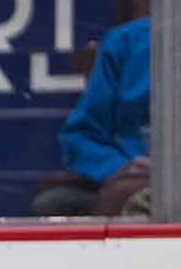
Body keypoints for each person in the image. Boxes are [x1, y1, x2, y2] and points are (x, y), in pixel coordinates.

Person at [32, 16, 151, 216]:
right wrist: (124, 169)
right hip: (134, 186)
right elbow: (82, 137)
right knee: (53, 205)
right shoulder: (126, 41)